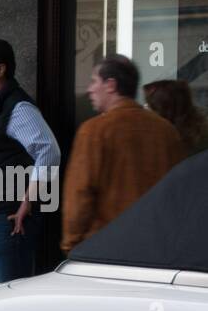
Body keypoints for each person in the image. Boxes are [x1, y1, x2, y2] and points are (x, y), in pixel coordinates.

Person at [62, 56, 184, 253]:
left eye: (94, 81)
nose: (89, 89)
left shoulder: (93, 131)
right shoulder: (166, 131)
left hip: (107, 247)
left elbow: (79, 195)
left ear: (110, 85)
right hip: (158, 245)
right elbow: (178, 193)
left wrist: (72, 244)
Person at [0, 39, 62, 286]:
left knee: (8, 298)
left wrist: (27, 203)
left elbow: (49, 152)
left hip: (6, 221)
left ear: (0, 70)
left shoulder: (17, 107)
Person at [143, 79, 208, 157]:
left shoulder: (167, 142)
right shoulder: (198, 132)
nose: (145, 107)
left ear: (164, 109)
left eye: (150, 105)